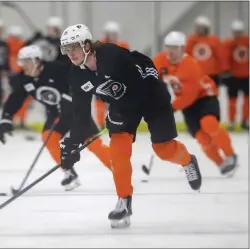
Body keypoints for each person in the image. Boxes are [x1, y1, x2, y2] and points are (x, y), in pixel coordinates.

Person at [59, 24, 201, 228]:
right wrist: (72, 144)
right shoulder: (76, 75)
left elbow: (138, 87)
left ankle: (188, 161)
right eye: (66, 48)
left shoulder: (112, 56)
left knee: (163, 149)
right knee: (118, 152)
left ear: (87, 45)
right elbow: (80, 114)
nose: (70, 53)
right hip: (122, 102)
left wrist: (118, 114)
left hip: (151, 96)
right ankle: (124, 201)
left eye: (74, 47)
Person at [0, 45, 111, 190]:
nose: (23, 65)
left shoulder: (56, 68)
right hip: (56, 114)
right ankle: (69, 173)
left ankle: (120, 171)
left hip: (75, 110)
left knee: (94, 145)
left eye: (26, 61)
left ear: (36, 60)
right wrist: (6, 117)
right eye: (22, 62)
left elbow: (79, 76)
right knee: (48, 138)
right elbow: (15, 98)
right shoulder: (24, 80)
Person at [153, 31, 238, 176]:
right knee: (201, 137)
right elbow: (149, 78)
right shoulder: (160, 60)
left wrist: (169, 108)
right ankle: (221, 163)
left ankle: (230, 154)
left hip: (204, 97)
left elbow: (189, 96)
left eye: (175, 48)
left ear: (182, 48)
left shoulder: (190, 65)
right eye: (168, 47)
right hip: (187, 104)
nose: (171, 51)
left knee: (209, 124)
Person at [95, 21, 130, 130]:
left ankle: (122, 123)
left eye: (114, 34)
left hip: (118, 78)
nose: (113, 36)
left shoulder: (123, 45)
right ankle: (100, 124)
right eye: (110, 33)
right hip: (102, 77)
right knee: (100, 101)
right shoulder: (99, 46)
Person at [223, 20, 249, 131]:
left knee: (247, 100)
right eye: (235, 31)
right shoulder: (229, 43)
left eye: (239, 31)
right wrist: (225, 71)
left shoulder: (247, 41)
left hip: (246, 75)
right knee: (232, 100)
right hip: (233, 76)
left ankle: (244, 121)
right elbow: (225, 58)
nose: (237, 33)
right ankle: (232, 122)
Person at [185, 16, 226, 87]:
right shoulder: (191, 40)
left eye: (201, 27)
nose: (199, 29)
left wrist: (222, 70)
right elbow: (186, 55)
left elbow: (220, 56)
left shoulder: (214, 40)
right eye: (198, 27)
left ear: (206, 28)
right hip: (196, 73)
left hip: (211, 73)